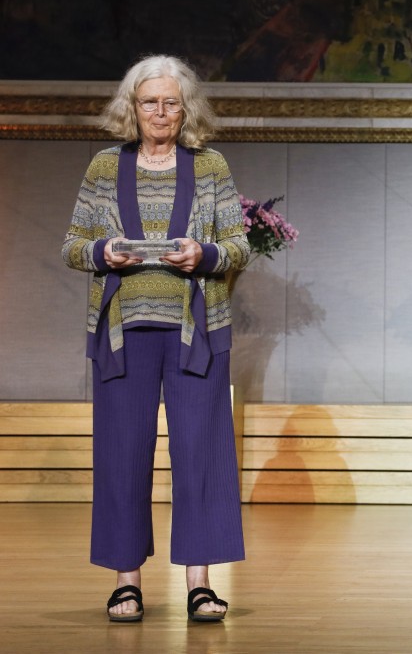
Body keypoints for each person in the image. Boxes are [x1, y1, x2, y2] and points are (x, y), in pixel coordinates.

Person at [62, 55, 251, 622]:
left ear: (185, 108)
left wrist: (206, 253)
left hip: (197, 333)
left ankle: (200, 582)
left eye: (171, 102)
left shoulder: (210, 164)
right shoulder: (104, 166)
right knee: (123, 455)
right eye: (150, 102)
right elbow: (72, 244)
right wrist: (103, 252)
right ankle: (126, 582)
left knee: (202, 454)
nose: (161, 112)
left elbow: (239, 245)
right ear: (133, 107)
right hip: (123, 334)